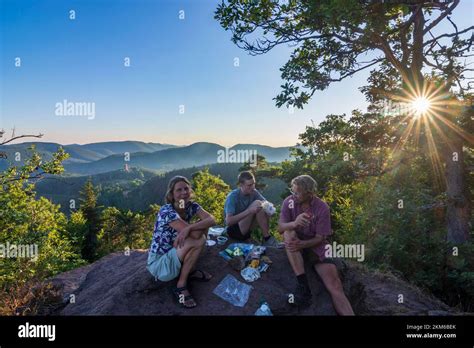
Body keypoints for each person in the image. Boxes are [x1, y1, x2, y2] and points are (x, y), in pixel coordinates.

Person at [278, 175, 354, 315]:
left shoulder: (322, 207)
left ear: (309, 193)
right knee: (289, 233)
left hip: (315, 245)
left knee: (335, 285)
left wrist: (303, 245)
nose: (293, 195)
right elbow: (280, 228)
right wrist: (294, 223)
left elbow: (320, 237)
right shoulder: (289, 202)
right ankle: (304, 287)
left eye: (297, 192)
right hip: (295, 241)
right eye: (292, 191)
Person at [147, 175, 216, 309]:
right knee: (199, 239)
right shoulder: (166, 211)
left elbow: (212, 219)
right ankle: (181, 285)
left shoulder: (192, 206)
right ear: (172, 195)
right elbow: (196, 235)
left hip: (174, 253)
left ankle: (189, 270)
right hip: (160, 265)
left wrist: (189, 227)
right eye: (179, 190)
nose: (184, 192)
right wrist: (197, 226)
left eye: (186, 188)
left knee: (200, 231)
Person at [224, 171, 279, 247]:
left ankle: (267, 238)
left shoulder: (253, 192)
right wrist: (249, 211)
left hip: (246, 230)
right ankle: (267, 239)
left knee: (263, 206)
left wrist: (271, 210)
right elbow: (228, 222)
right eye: (249, 185)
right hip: (233, 231)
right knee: (257, 203)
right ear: (241, 185)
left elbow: (266, 203)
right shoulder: (233, 197)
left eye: (253, 184)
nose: (253, 187)